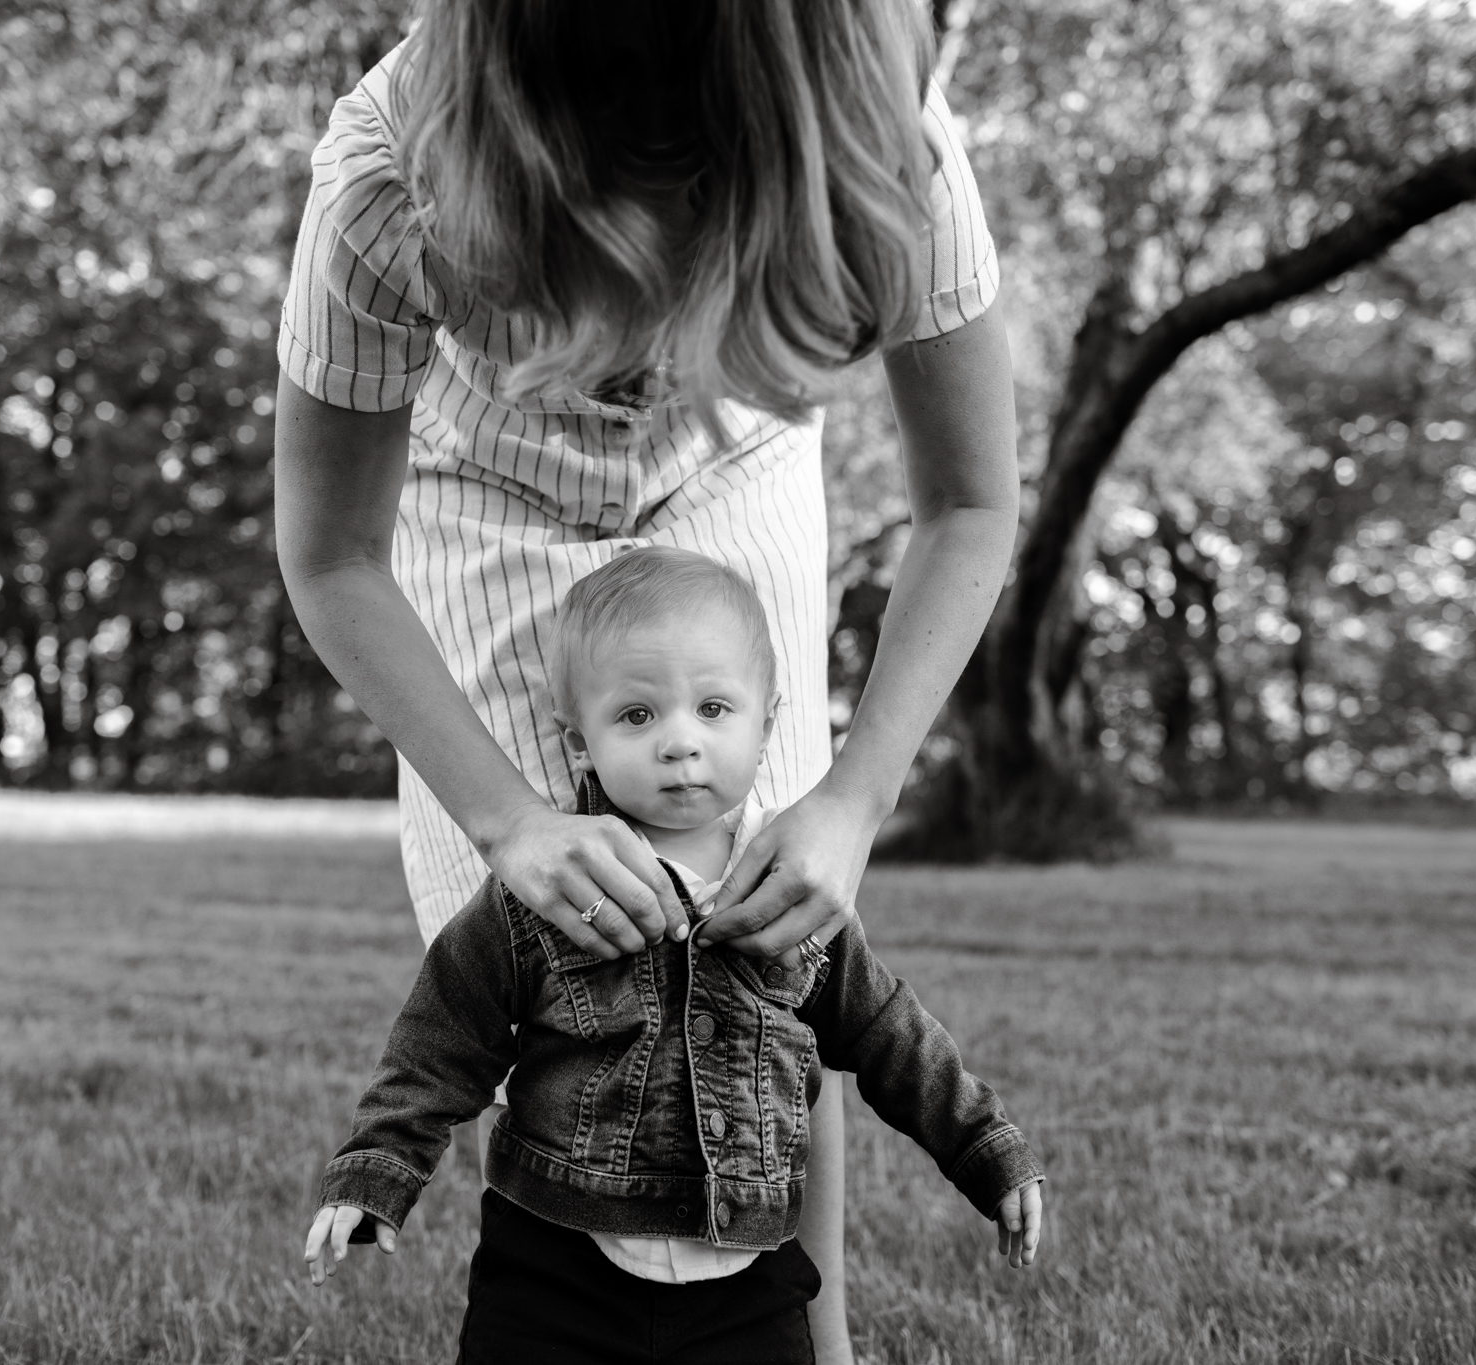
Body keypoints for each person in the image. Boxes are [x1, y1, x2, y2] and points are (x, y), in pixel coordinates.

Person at [272, 0, 1020, 1353]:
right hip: (470, 486)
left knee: (771, 930)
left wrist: (849, 803)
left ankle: (808, 1343)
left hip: (729, 464)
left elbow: (971, 504)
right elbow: (331, 556)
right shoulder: (391, 185)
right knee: (555, 948)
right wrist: (510, 819)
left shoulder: (881, 153)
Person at [301, 549, 1046, 1363]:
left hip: (750, 1280)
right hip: (555, 1265)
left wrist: (987, 1152)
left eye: (714, 707)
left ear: (769, 723)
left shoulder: (793, 889)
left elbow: (891, 1034)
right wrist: (379, 1167)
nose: (680, 743)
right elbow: (445, 1033)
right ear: (577, 739)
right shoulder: (547, 887)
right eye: (637, 716)